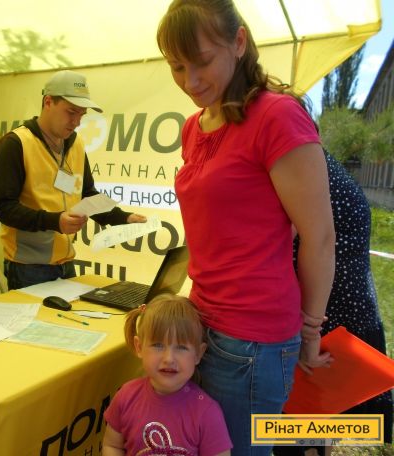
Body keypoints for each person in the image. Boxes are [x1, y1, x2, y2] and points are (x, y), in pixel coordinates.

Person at [156, 1, 336, 455]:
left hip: (253, 343)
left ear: (238, 42)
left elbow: (319, 236)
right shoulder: (193, 128)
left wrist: (310, 332)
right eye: (177, 67)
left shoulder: (277, 116)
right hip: (201, 327)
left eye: (201, 62)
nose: (190, 82)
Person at [273, 150, 394, 456]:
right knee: (319, 420)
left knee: (299, 430)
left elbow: (279, 244)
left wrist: (307, 331)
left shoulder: (295, 162)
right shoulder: (321, 163)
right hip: (343, 314)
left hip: (324, 317)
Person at [0, 70, 146, 290]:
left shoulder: (75, 143)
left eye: (81, 114)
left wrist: (123, 217)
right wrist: (55, 221)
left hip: (66, 262)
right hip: (27, 267)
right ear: (48, 102)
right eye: (71, 112)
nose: (76, 122)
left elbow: (88, 194)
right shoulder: (16, 143)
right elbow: (4, 208)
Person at [102, 294, 232, 456]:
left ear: (199, 353)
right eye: (158, 345)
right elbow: (112, 446)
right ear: (139, 347)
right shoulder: (125, 397)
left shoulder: (208, 413)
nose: (169, 358)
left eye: (181, 347)